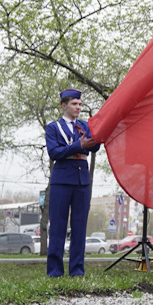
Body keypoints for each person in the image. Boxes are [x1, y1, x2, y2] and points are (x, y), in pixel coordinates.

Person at [45, 89, 100, 277]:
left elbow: (96, 146)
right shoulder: (53, 128)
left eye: (80, 104)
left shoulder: (85, 126)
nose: (78, 107)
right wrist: (79, 145)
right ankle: (54, 271)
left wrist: (101, 130)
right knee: (58, 226)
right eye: (74, 104)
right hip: (61, 180)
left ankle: (77, 270)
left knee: (79, 226)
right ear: (63, 105)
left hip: (82, 180)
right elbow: (54, 153)